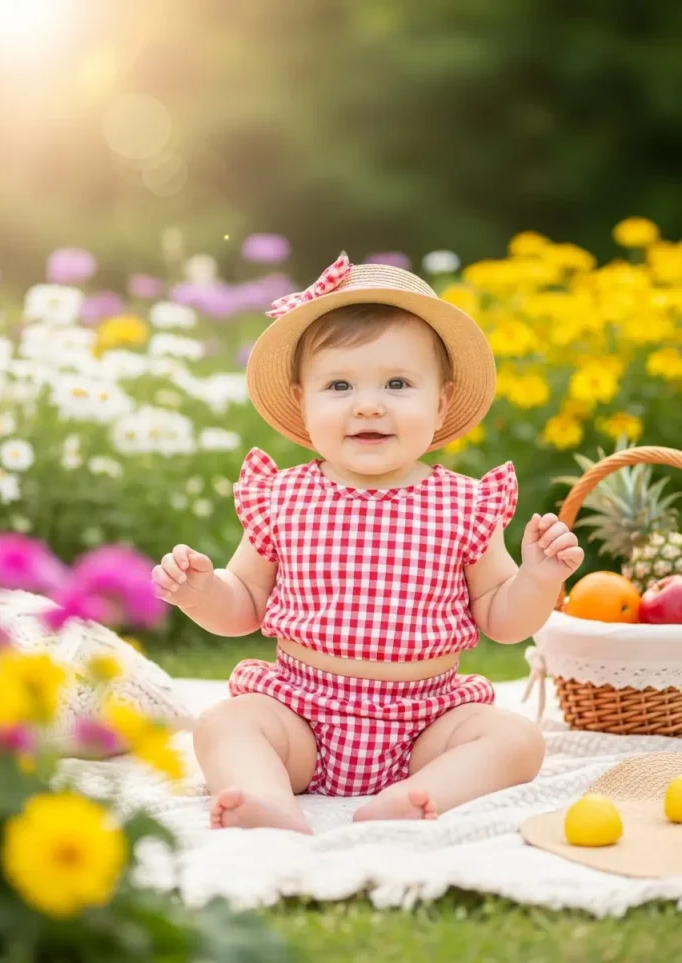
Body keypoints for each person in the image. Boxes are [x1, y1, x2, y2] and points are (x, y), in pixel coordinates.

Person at [153, 252, 584, 833]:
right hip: (301, 713)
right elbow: (246, 604)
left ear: (441, 403)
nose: (369, 404)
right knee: (224, 723)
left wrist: (536, 579)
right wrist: (203, 591)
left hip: (426, 722)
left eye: (398, 383)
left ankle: (416, 795)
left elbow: (501, 619)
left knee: (517, 739)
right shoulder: (282, 497)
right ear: (303, 405)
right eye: (339, 385)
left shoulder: (465, 504)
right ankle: (267, 799)